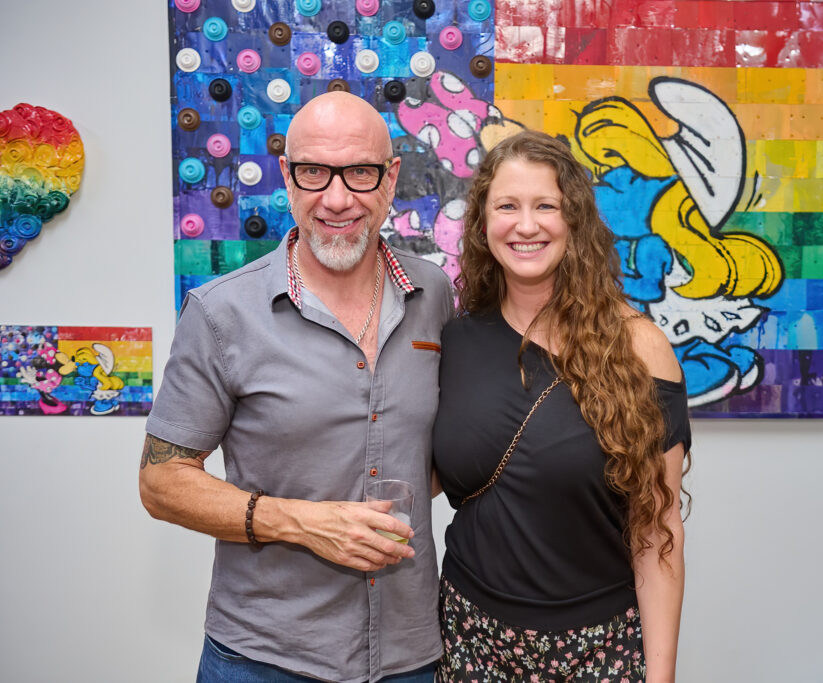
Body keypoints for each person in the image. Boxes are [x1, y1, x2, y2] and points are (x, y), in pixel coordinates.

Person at [139, 91, 453, 683]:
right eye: (314, 172)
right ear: (287, 176)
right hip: (265, 659)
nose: (337, 200)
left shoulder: (434, 294)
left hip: (411, 654)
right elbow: (160, 482)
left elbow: (450, 444)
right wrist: (303, 522)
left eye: (359, 173)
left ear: (390, 179)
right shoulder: (220, 312)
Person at [432, 130, 692, 682]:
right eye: (507, 206)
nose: (526, 225)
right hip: (469, 641)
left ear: (574, 221)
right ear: (482, 224)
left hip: (599, 651)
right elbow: (420, 471)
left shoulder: (640, 348)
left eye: (546, 205)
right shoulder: (455, 340)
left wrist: (661, 677)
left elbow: (657, 534)